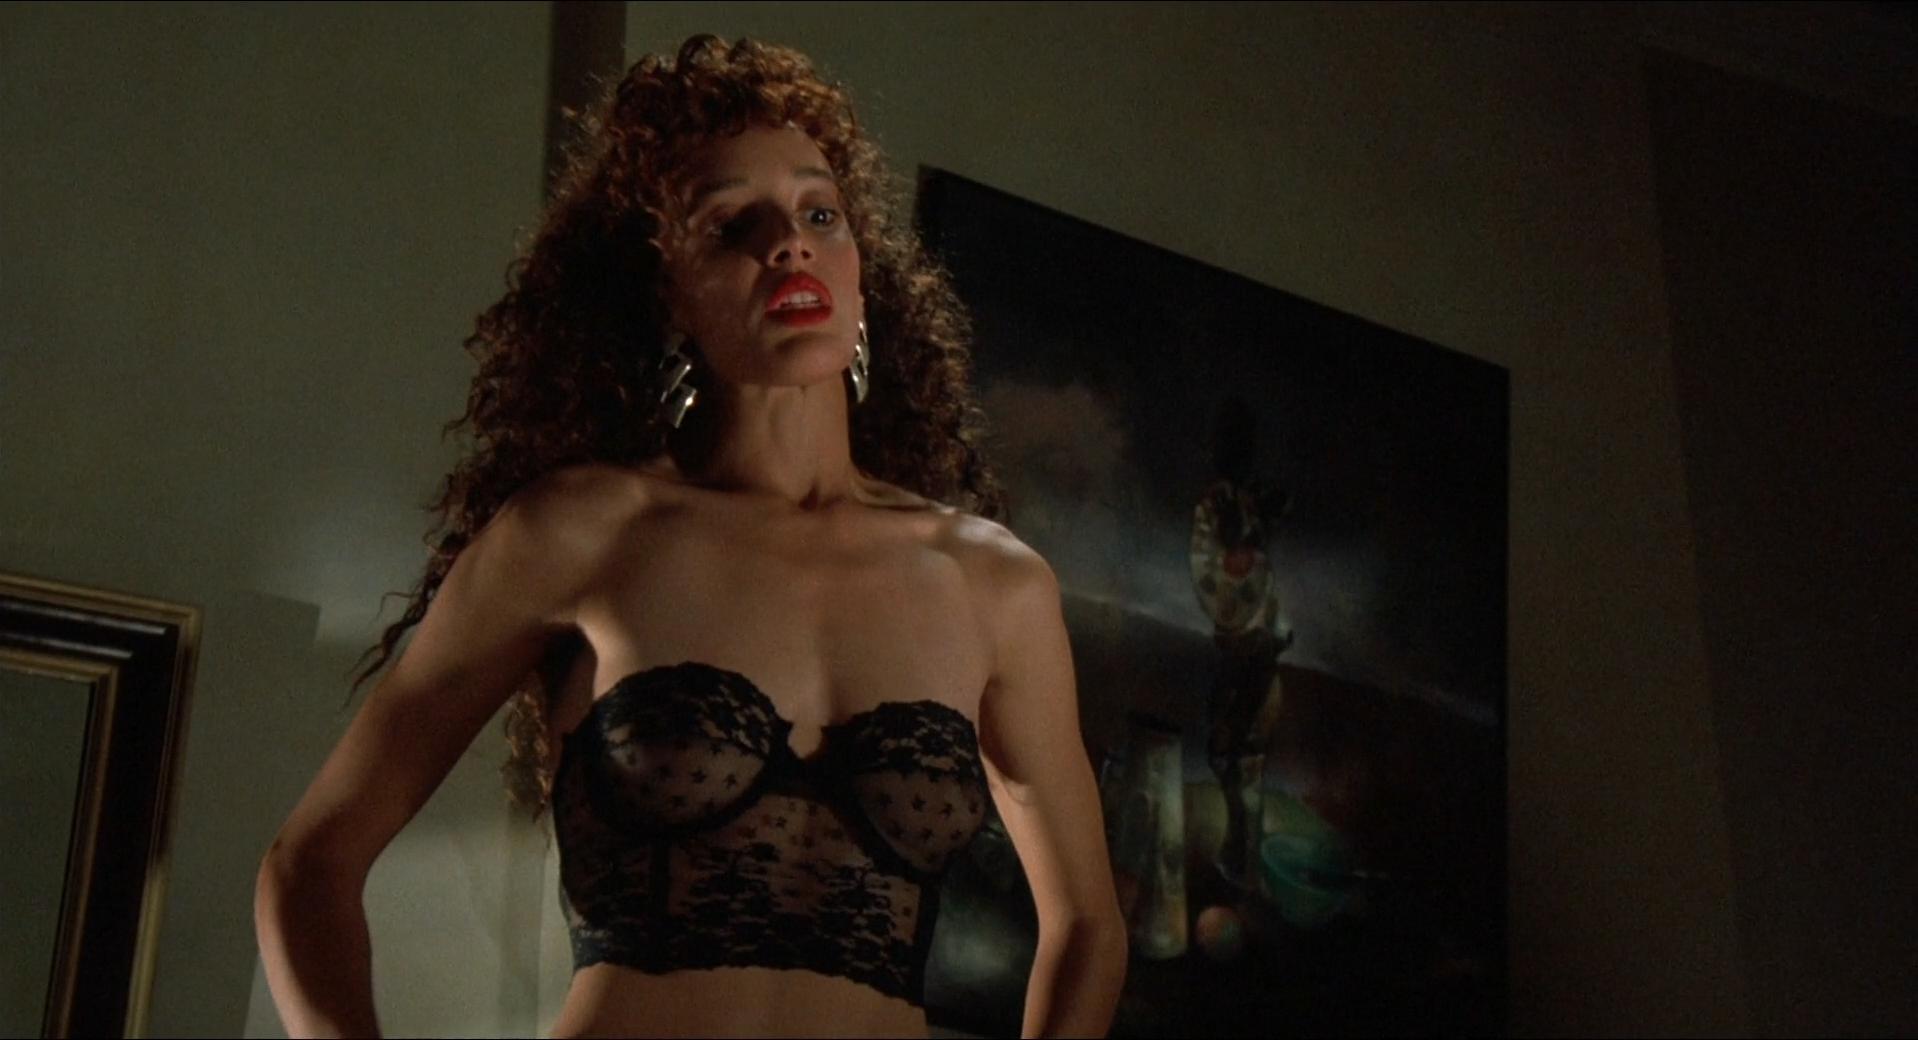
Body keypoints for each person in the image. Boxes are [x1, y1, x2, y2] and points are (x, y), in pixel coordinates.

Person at [254, 33, 1128, 1039]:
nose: (788, 244)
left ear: (862, 273)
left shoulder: (992, 583)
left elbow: (1088, 925)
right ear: (664, 288)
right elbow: (309, 861)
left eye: (818, 212)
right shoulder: (582, 531)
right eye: (731, 224)